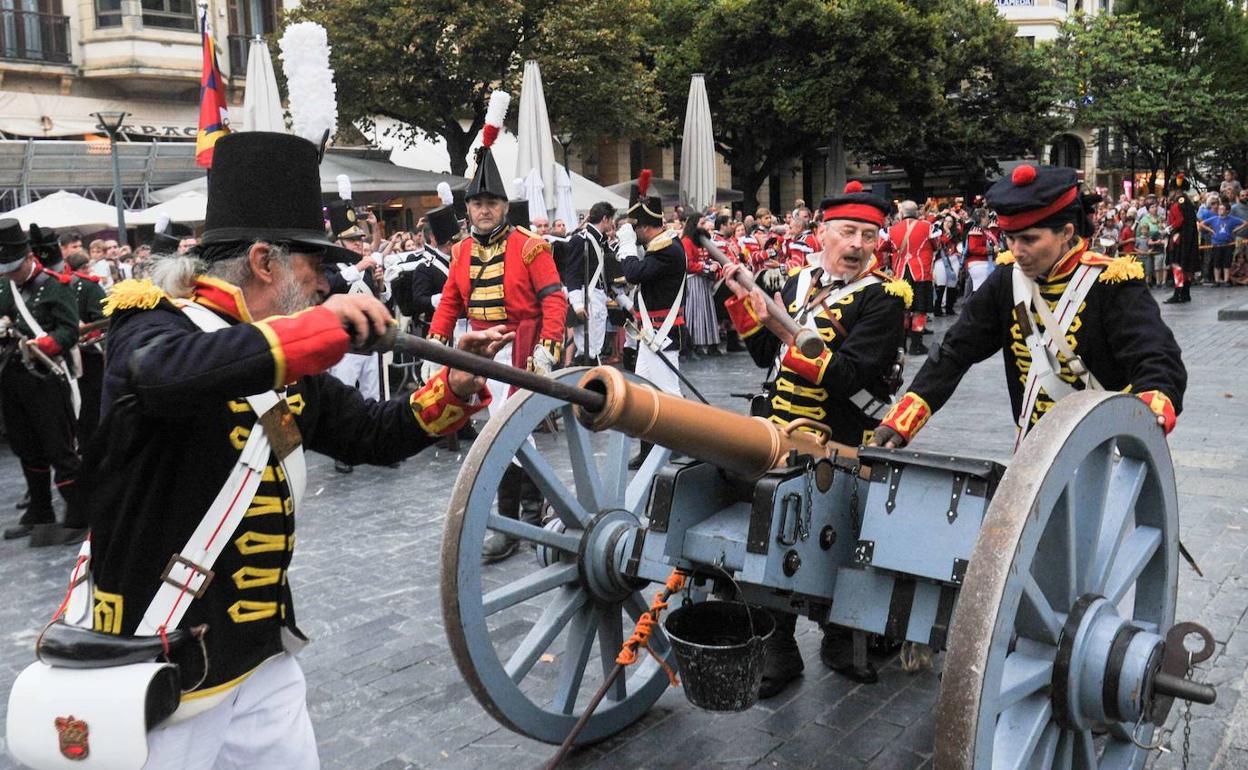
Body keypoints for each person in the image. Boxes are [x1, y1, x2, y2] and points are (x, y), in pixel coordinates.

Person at [85, 131, 507, 768]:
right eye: (313, 268)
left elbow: (370, 431)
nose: (324, 285)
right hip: (158, 653)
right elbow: (168, 375)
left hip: (259, 652)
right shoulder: (151, 323)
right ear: (263, 262)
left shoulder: (278, 354)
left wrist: (454, 386)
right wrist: (319, 328)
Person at [721, 182, 907, 696]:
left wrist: (785, 332)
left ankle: (842, 636)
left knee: (842, 543)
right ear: (822, 234)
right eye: (847, 232)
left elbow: (851, 375)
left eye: (869, 235)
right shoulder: (801, 283)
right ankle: (778, 646)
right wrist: (745, 308)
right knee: (770, 534)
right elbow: (767, 359)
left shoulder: (885, 297)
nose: (857, 245)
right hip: (780, 435)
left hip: (842, 439)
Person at [872, 165, 1186, 456]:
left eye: (1029, 239)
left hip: (1103, 448)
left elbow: (1155, 356)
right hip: (1034, 450)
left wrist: (1151, 405)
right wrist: (905, 417)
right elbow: (955, 351)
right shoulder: (1006, 281)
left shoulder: (1111, 281)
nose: (1016, 251)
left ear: (1065, 232)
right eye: (1010, 238)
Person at [425, 91, 567, 563]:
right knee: (498, 433)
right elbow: (450, 302)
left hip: (522, 347)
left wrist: (547, 347)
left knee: (509, 435)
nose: (484, 210)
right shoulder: (461, 252)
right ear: (468, 210)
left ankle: (519, 521)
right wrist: (437, 343)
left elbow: (554, 301)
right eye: (478, 204)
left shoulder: (531, 247)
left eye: (492, 203)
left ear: (505, 207)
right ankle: (523, 515)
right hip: (480, 351)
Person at [0, 220, 87, 547]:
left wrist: (47, 343)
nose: (10, 274)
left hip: (46, 377)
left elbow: (69, 332)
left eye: (13, 268)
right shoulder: (4, 287)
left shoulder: (54, 286)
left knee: (59, 448)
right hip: (13, 378)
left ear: (28, 258)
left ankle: (78, 515)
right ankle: (40, 513)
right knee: (26, 448)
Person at [617, 170, 686, 469]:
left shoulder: (668, 250)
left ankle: (684, 442)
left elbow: (634, 273)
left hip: (663, 332)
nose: (634, 233)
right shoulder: (662, 246)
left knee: (669, 392)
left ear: (645, 228)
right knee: (645, 392)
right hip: (650, 332)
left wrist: (627, 246)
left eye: (635, 229)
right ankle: (647, 451)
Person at [564, 201, 619, 364]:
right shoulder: (580, 240)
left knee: (595, 348)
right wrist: (577, 304)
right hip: (586, 297)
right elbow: (571, 273)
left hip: (598, 298)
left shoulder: (601, 241)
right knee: (586, 349)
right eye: (611, 220)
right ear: (605, 219)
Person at [886, 200, 940, 354]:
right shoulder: (928, 227)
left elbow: (883, 246)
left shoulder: (891, 229)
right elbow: (936, 244)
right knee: (920, 310)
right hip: (921, 273)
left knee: (903, 310)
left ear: (901, 213)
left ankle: (901, 344)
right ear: (917, 212)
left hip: (900, 275)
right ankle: (916, 345)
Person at [1197, 201, 1247, 286]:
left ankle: (1226, 280)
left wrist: (1235, 230)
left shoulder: (1232, 219)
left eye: (1222, 209)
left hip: (1228, 244)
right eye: (1219, 209)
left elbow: (1245, 223)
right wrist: (1211, 230)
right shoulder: (1214, 219)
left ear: (1227, 211)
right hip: (1217, 244)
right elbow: (1201, 224)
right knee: (1217, 263)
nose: (1220, 210)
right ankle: (1217, 280)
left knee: (1226, 263)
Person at [1165, 191, 1199, 303]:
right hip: (1189, 240)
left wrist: (1169, 228)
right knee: (1187, 266)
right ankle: (1186, 293)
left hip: (1178, 240)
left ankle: (1177, 294)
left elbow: (1179, 221)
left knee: (1177, 266)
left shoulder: (1176, 205)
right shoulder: (1189, 206)